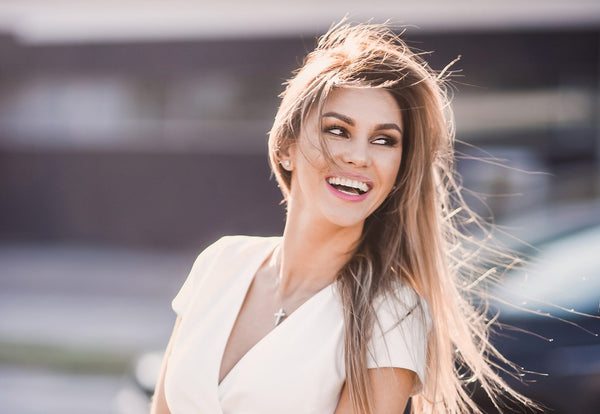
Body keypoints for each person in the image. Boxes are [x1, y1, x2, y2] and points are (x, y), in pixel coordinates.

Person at [151, 21, 532, 414]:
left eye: (384, 140)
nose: (359, 156)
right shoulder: (220, 263)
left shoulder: (392, 313)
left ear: (399, 171)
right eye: (338, 130)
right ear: (285, 146)